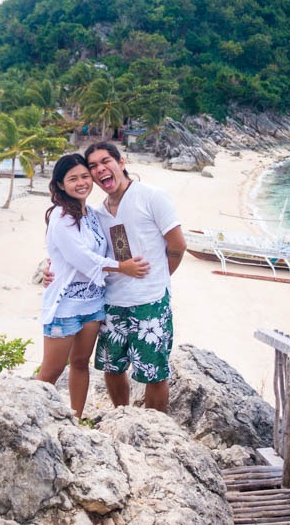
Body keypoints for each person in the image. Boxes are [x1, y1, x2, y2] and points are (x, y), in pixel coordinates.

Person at [36, 153, 150, 419]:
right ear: (61, 185)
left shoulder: (93, 214)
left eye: (85, 176)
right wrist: (123, 267)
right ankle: (32, 419)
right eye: (73, 179)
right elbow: (81, 257)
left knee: (79, 364)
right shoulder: (61, 216)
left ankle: (75, 419)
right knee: (50, 372)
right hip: (65, 305)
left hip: (93, 303)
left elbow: (114, 242)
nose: (81, 183)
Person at [84, 142, 186, 412]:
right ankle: (124, 416)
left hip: (150, 301)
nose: (100, 169)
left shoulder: (152, 196)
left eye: (106, 161)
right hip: (112, 301)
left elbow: (177, 245)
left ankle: (154, 426)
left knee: (154, 372)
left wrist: (159, 278)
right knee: (112, 367)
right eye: (93, 166)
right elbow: (84, 252)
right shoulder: (98, 213)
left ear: (121, 162)